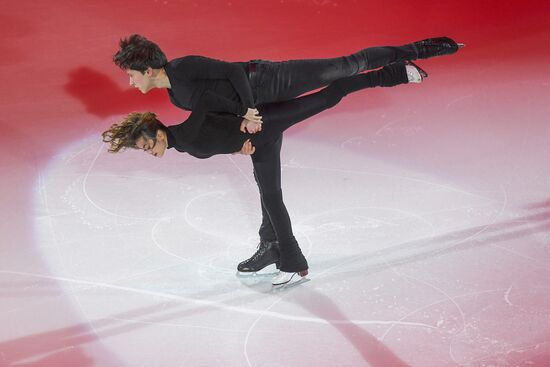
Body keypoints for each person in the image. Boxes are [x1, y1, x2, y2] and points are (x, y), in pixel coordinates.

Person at [112, 34, 463, 275]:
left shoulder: (182, 68)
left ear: (148, 69)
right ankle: (271, 245)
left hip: (268, 80)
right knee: (266, 182)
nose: (130, 82)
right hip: (256, 116)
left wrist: (247, 111)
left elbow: (233, 72)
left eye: (130, 75)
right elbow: (215, 114)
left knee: (345, 65)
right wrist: (238, 138)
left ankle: (417, 50)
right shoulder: (175, 97)